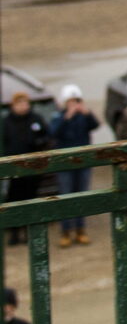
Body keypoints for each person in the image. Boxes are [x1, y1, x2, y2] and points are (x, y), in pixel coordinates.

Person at [48, 86, 99, 246]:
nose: (74, 105)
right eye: (70, 101)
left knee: (82, 196)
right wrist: (66, 118)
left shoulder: (83, 117)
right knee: (66, 196)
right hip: (65, 163)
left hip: (83, 162)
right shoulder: (59, 116)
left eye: (76, 101)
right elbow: (53, 133)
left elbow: (96, 125)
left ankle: (80, 229)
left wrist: (88, 113)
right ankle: (65, 231)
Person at [0, 95, 48, 243]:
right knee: (13, 199)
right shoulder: (6, 122)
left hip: (33, 168)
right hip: (13, 169)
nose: (23, 106)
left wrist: (39, 142)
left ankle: (29, 233)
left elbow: (47, 136)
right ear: (13, 105)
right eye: (19, 103)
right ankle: (14, 233)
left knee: (31, 199)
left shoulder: (36, 119)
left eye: (25, 103)